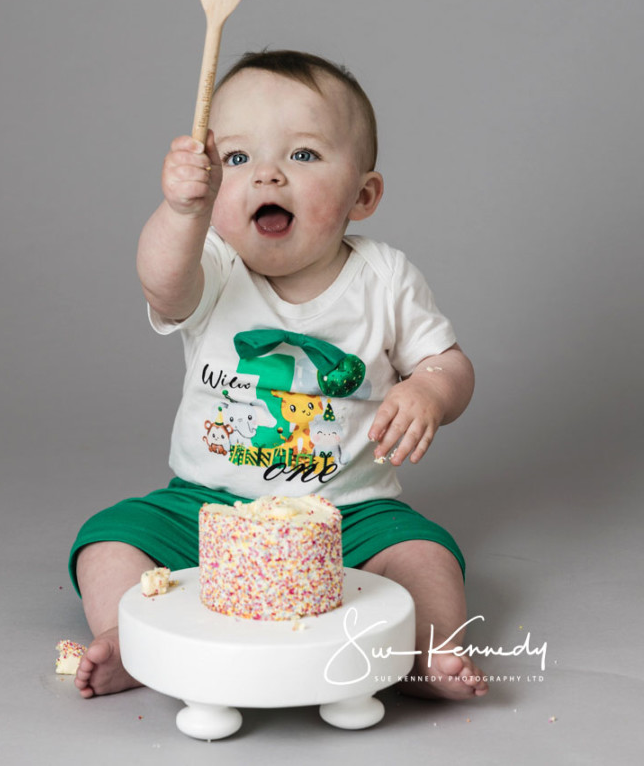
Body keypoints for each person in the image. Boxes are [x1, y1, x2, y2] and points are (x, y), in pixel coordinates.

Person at [70, 50, 489, 701]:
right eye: (236, 159)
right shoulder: (211, 263)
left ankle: (425, 653)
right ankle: (131, 640)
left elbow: (450, 363)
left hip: (349, 512)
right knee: (107, 541)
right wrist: (181, 214)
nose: (266, 173)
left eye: (303, 155)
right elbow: (162, 285)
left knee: (425, 554)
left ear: (364, 194)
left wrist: (429, 388)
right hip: (206, 505)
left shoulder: (385, 279)